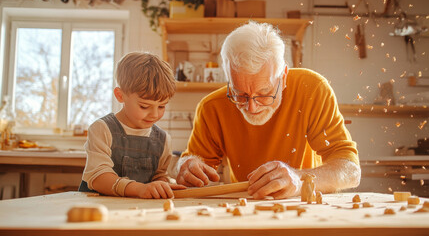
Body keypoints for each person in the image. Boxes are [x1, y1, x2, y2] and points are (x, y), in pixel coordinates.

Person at [172, 21, 361, 199]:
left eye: (264, 93)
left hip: (303, 203)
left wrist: (298, 179)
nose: (252, 107)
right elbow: (193, 167)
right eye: (240, 94)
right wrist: (185, 166)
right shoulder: (211, 108)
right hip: (247, 205)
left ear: (283, 76)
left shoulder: (312, 89)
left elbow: (351, 170)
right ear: (229, 79)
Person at [79, 52, 185, 199]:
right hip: (99, 211)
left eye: (161, 106)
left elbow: (160, 175)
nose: (154, 114)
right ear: (120, 95)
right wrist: (140, 189)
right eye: (144, 106)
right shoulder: (102, 129)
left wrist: (162, 184)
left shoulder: (163, 139)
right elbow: (98, 177)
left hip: (139, 214)